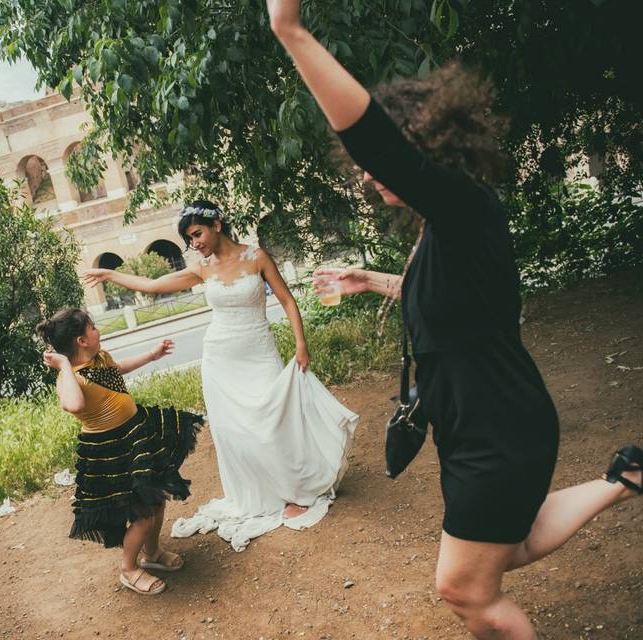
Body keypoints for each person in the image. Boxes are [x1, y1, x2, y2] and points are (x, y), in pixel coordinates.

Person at [266, 1, 643, 636]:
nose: (368, 173)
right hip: (480, 422)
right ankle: (627, 477)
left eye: (388, 160)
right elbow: (458, 308)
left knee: (464, 587)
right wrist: (374, 282)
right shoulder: (446, 232)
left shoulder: (466, 207)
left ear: (429, 150)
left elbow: (374, 140)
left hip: (498, 426)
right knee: (507, 545)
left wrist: (291, 33)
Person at [83, 201, 358, 551]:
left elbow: (288, 301)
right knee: (236, 432)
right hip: (220, 359)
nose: (194, 243)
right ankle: (264, 494)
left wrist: (301, 344)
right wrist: (109, 275)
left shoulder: (256, 257)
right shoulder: (200, 268)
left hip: (259, 351)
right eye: (188, 239)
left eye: (197, 234)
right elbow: (152, 285)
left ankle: (296, 489)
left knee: (274, 422)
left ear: (216, 224)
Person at [36, 308, 201, 595]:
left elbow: (117, 370)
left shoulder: (100, 358)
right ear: (81, 341)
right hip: (109, 451)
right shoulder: (68, 378)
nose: (97, 331)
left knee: (156, 500)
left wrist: (151, 355)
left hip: (134, 437)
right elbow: (74, 405)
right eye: (93, 328)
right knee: (141, 514)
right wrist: (64, 367)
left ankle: (152, 553)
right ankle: (128, 568)